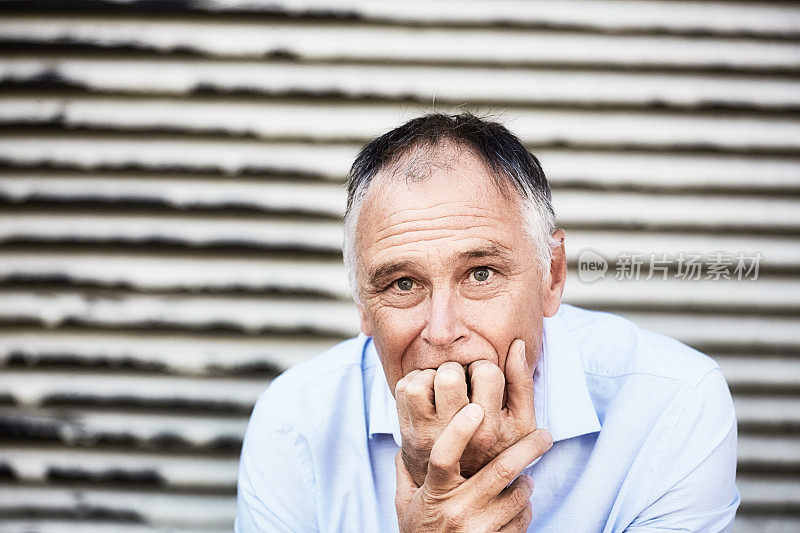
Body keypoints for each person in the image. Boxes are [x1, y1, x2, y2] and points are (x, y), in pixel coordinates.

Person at [235, 113, 740, 532]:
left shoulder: (673, 405)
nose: (441, 330)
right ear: (363, 307)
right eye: (403, 285)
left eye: (480, 274)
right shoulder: (294, 422)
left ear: (552, 276)